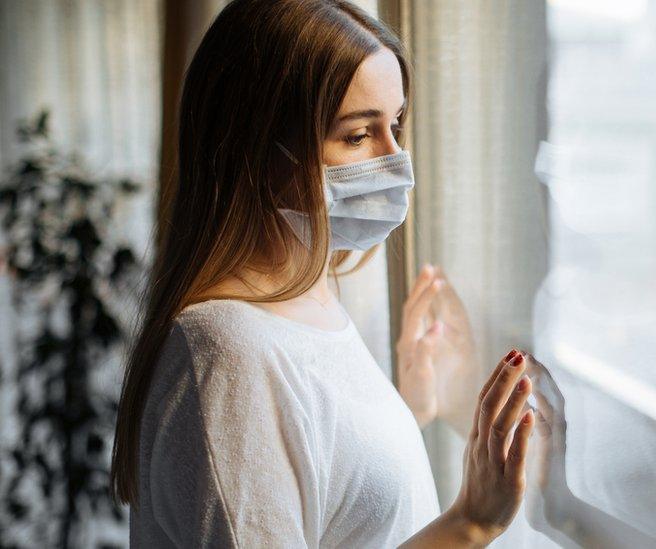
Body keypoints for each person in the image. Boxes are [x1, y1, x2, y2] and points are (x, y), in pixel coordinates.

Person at [108, 1, 535, 547]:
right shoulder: (226, 352)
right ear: (260, 149)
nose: (396, 159)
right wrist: (471, 523)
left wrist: (403, 410)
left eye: (396, 125)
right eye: (358, 136)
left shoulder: (305, 299)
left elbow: (329, 501)